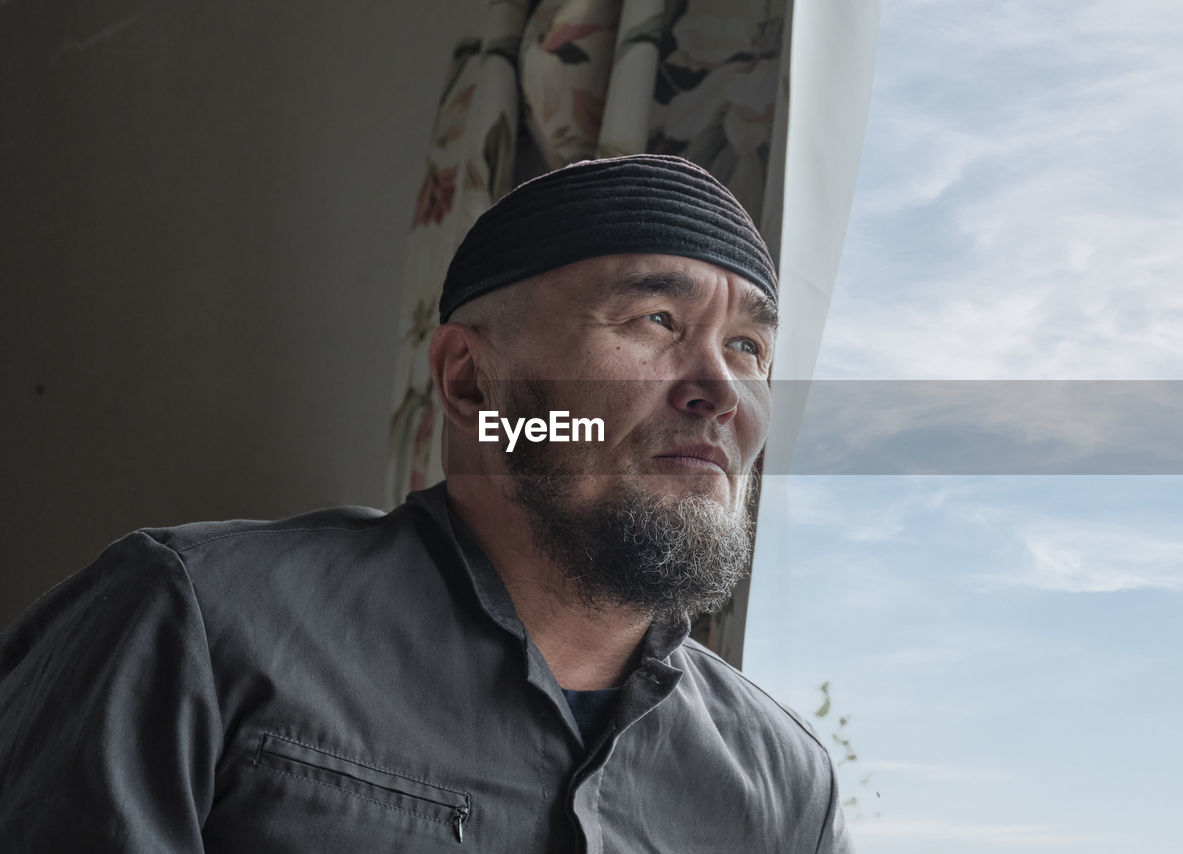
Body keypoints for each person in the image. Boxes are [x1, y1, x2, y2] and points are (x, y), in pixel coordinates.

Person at [0, 155, 853, 852]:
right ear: (468, 378)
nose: (720, 389)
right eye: (656, 320)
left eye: (749, 348)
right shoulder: (189, 624)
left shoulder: (788, 795)